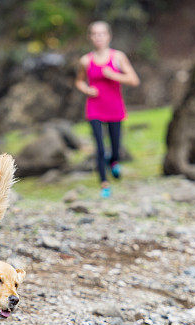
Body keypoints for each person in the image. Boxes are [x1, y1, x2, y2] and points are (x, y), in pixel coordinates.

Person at [75, 21, 140, 198]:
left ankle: (114, 162)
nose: (99, 37)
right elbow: (79, 81)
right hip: (94, 107)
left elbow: (134, 80)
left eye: (102, 34)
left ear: (109, 36)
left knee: (115, 145)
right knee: (100, 147)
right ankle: (104, 184)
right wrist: (87, 89)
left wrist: (114, 75)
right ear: (90, 37)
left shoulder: (118, 57)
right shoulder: (85, 60)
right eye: (95, 34)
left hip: (114, 106)